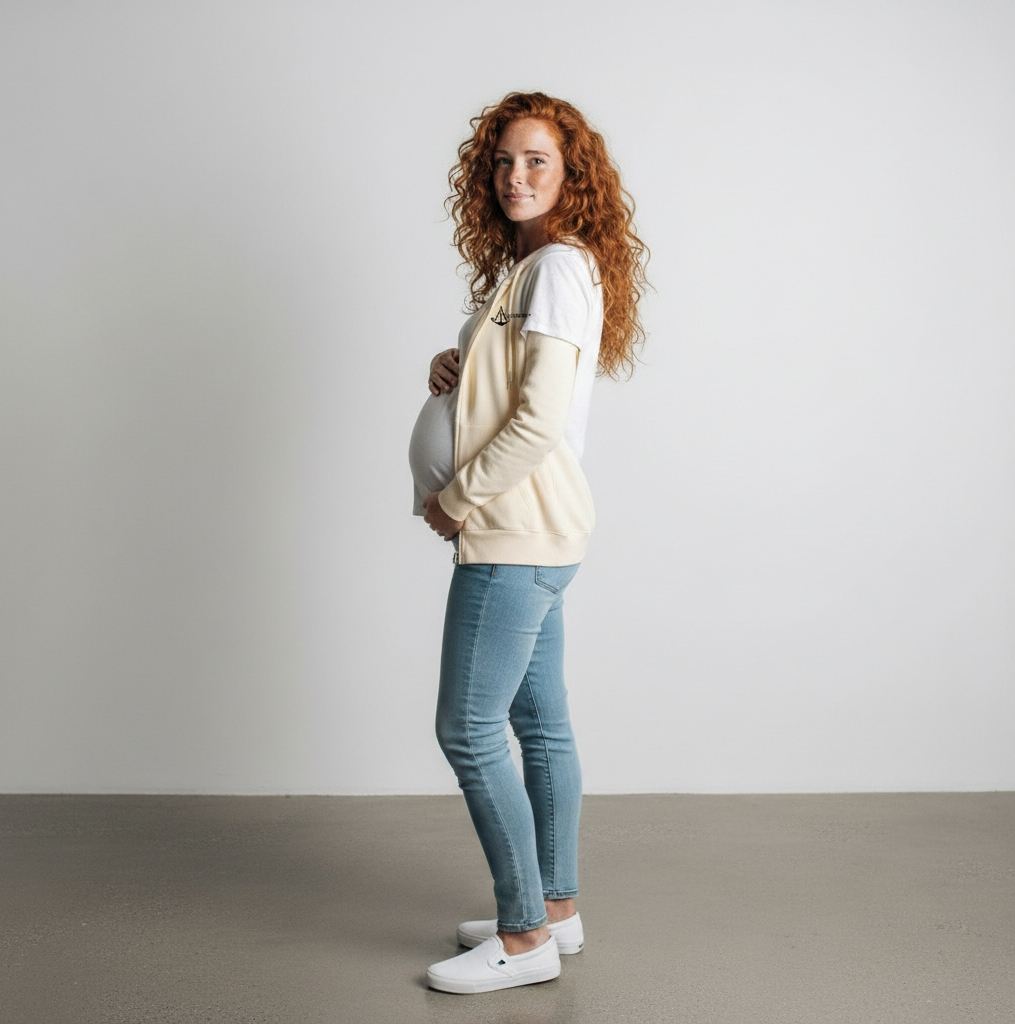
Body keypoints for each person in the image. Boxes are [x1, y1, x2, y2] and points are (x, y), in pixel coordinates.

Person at [408, 91, 647, 995]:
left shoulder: (554, 268)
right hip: (541, 533)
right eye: (504, 160)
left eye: (537, 160)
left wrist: (457, 498)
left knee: (468, 730)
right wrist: (458, 365)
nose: (516, 175)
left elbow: (541, 420)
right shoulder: (540, 267)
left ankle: (522, 937)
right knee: (539, 724)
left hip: (513, 532)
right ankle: (557, 909)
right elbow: (515, 388)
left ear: (570, 173)